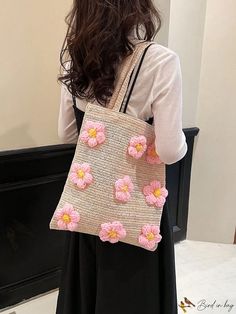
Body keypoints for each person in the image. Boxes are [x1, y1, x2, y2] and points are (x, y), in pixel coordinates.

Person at [55, 1, 188, 314]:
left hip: (88, 210)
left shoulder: (74, 60)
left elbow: (67, 135)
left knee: (85, 294)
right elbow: (170, 150)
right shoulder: (160, 60)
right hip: (133, 212)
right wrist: (179, 143)